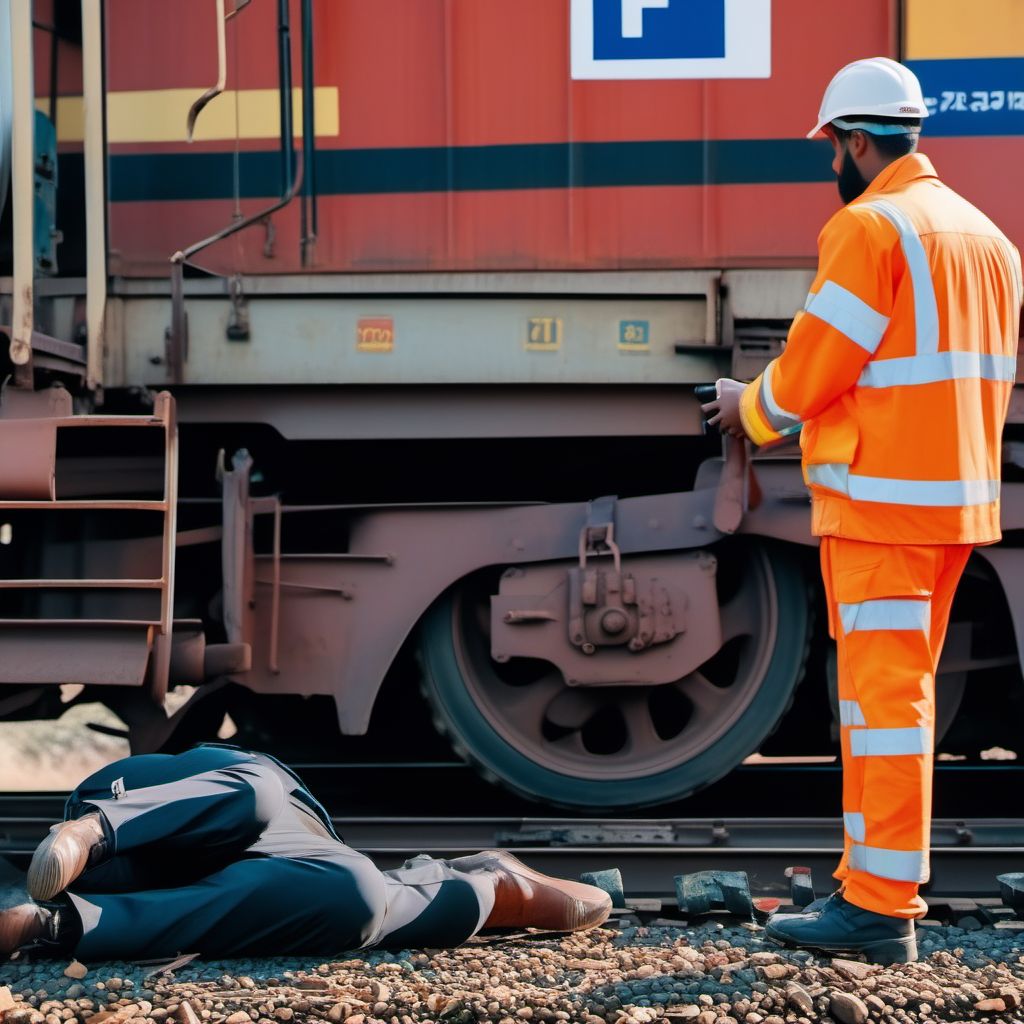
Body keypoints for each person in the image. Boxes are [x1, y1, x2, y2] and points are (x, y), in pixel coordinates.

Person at [703, 57, 1022, 964]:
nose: (829, 165)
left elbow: (816, 366)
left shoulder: (868, 226)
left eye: (830, 147)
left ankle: (880, 910)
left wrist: (746, 410)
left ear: (851, 140)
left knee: (881, 705)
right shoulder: (986, 236)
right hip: (953, 504)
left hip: (882, 507)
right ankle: (875, 889)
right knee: (902, 700)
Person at [0, 745, 611, 960]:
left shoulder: (301, 835)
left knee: (348, 883)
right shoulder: (297, 828)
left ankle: (58, 917)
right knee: (346, 885)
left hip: (182, 830)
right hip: (141, 846)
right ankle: (489, 885)